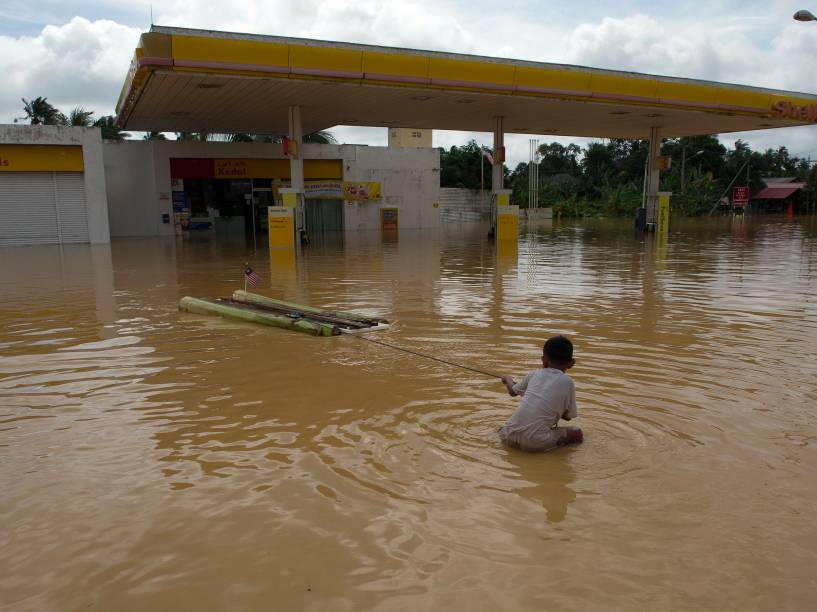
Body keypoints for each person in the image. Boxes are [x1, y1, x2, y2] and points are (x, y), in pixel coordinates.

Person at [498, 335, 583, 452]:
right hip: (535, 443)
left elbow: (513, 391)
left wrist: (507, 379)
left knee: (510, 426)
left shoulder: (534, 373)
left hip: (507, 435)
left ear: (544, 359)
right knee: (577, 433)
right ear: (571, 363)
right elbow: (568, 417)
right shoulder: (568, 382)